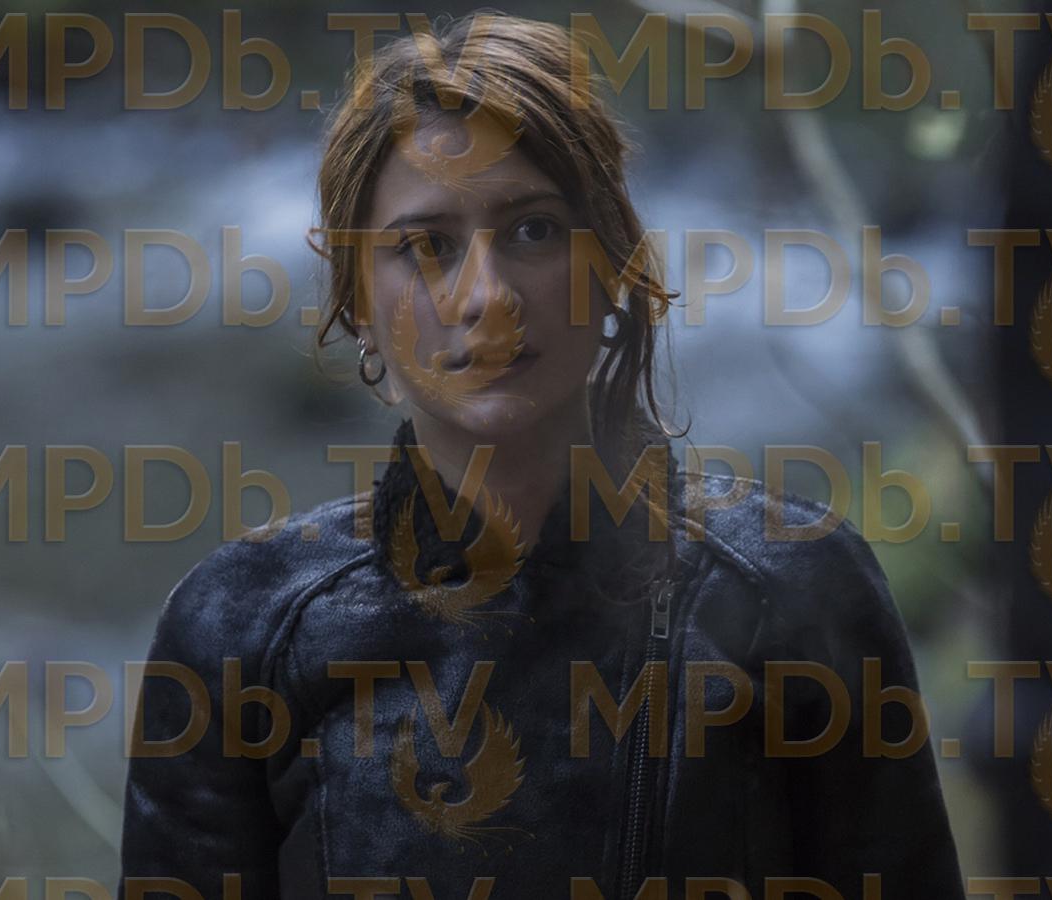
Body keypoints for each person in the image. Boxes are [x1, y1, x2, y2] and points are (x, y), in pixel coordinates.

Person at [118, 12, 964, 898]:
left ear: (610, 264)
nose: (486, 296)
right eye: (426, 246)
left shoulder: (792, 592)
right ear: (358, 300)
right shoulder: (242, 633)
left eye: (532, 231)